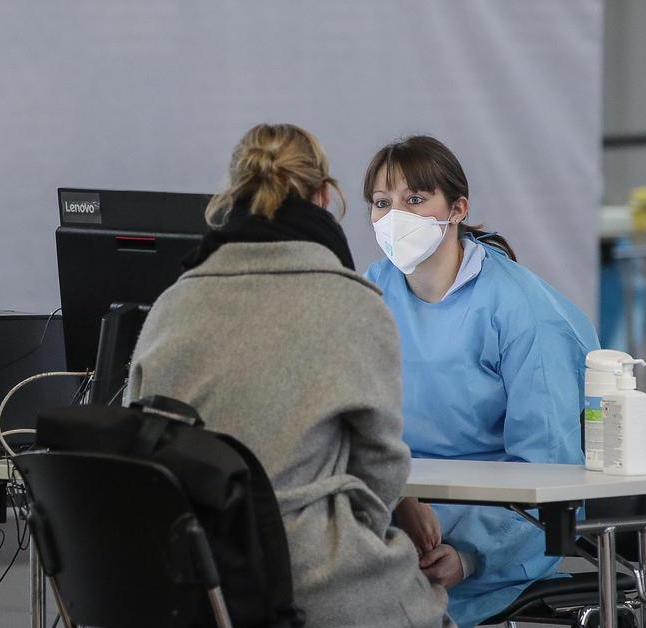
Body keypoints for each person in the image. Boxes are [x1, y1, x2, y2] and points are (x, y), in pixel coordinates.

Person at [126, 123, 451, 628]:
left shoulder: (171, 305)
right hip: (319, 580)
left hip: (194, 582)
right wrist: (348, 539)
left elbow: (140, 444)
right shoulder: (355, 303)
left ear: (232, 195)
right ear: (324, 196)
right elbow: (383, 467)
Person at [362, 135, 600, 627]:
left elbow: (550, 472)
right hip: (391, 506)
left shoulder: (522, 311)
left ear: (457, 209)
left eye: (414, 199)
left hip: (494, 525)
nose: (395, 217)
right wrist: (401, 498)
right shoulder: (371, 292)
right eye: (382, 203)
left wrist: (470, 555)